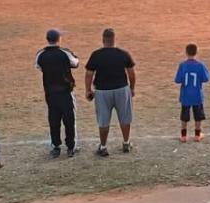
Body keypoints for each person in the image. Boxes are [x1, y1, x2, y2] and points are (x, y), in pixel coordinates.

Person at [84, 28, 136, 157]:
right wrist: (132, 88)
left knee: (103, 120)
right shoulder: (123, 54)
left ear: (103, 40)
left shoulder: (96, 55)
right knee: (124, 118)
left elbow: (89, 74)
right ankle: (126, 143)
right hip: (121, 89)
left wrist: (88, 90)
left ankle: (103, 146)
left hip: (102, 91)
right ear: (114, 39)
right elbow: (131, 73)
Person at [35, 29, 80, 158]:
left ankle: (55, 146)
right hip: (66, 92)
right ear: (58, 39)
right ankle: (71, 147)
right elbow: (75, 63)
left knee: (53, 120)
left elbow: (38, 67)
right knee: (69, 120)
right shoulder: (64, 53)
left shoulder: (41, 54)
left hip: (50, 93)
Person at [175, 44, 210, 143]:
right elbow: (206, 78)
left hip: (185, 95)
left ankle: (183, 136)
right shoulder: (200, 65)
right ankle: (197, 135)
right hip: (197, 95)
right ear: (196, 52)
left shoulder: (182, 65)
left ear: (186, 53)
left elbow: (177, 80)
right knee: (198, 116)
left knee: (184, 115)